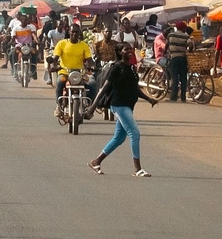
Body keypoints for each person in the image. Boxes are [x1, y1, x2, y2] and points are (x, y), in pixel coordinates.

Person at [87, 42, 158, 177]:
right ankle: (137, 169)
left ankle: (96, 161)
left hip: (128, 106)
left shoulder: (131, 68)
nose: (130, 51)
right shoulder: (116, 68)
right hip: (119, 106)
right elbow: (105, 88)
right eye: (126, 49)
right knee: (135, 133)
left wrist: (149, 99)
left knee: (119, 138)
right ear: (120, 52)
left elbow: (134, 89)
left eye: (131, 49)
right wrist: (93, 106)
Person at [53, 25, 96, 113]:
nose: (74, 34)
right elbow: (56, 57)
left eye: (76, 32)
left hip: (80, 73)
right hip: (64, 72)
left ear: (79, 33)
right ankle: (59, 105)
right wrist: (54, 64)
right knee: (59, 82)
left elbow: (89, 59)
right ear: (69, 32)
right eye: (72, 32)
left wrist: (92, 65)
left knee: (93, 83)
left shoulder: (84, 45)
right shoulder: (62, 43)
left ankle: (89, 105)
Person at [166, 22, 193, 102]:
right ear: (184, 29)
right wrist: (189, 50)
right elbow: (190, 45)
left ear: (177, 28)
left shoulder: (170, 35)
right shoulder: (186, 36)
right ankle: (183, 98)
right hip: (183, 58)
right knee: (183, 79)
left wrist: (165, 51)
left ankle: (173, 97)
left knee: (175, 79)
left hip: (174, 58)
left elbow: (166, 45)